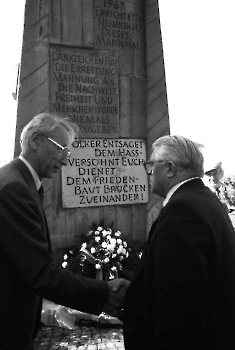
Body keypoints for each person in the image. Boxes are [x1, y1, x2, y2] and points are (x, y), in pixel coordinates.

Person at [0, 113, 129, 349]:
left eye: (68, 153)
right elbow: (41, 273)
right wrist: (105, 290)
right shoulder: (14, 189)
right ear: (36, 140)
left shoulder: (19, 182)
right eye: (62, 150)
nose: (66, 161)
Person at [123, 135, 235, 350]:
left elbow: (179, 306)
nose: (149, 173)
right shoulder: (206, 199)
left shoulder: (182, 210)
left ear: (170, 168)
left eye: (151, 165)